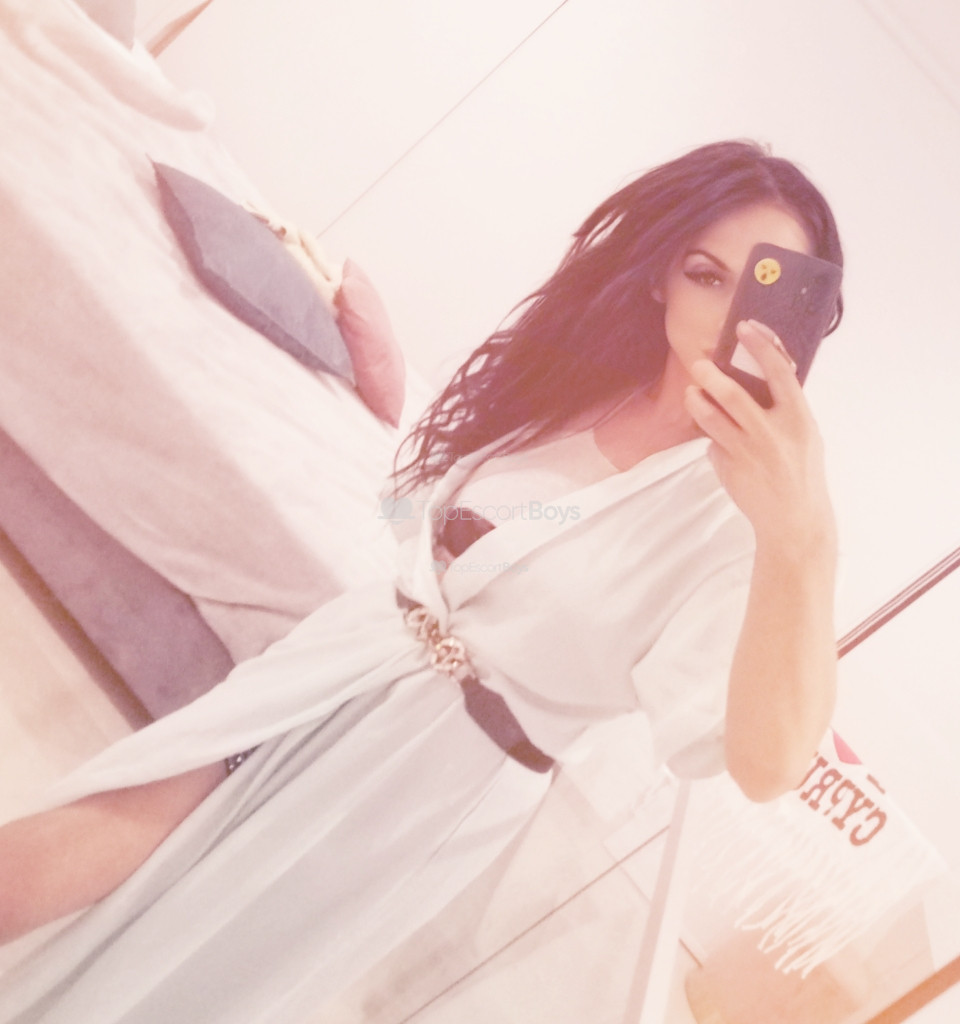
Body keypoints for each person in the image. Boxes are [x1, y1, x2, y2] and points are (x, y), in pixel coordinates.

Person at [0, 139, 842, 1022]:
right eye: (706, 274)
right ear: (662, 276)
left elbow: (767, 766)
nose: (730, 315)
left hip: (432, 775)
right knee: (102, 823)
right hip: (348, 654)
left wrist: (804, 540)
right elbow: (435, 517)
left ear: (801, 318)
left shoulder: (737, 519)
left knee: (197, 966)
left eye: (762, 291)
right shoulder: (582, 382)